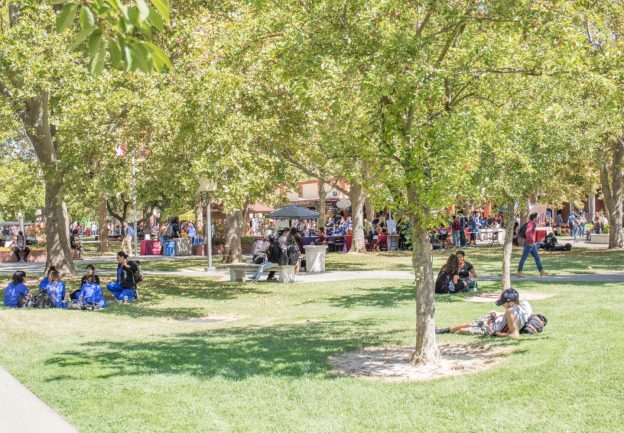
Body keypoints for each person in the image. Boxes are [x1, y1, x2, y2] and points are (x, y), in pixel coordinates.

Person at [436, 288, 532, 338]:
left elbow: (515, 335)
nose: (503, 305)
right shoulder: (525, 305)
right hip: (496, 321)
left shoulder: (511, 312)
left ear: (510, 303)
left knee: (462, 330)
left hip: (492, 328)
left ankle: (445, 332)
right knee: (467, 324)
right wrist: (499, 314)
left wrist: (494, 333)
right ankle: (443, 330)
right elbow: (515, 317)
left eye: (504, 303)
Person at [517, 213, 548, 277]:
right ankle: (519, 272)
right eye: (537, 217)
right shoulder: (531, 223)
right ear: (534, 218)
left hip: (531, 244)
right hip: (529, 243)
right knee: (524, 258)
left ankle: (541, 271)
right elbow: (527, 232)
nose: (538, 218)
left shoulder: (531, 223)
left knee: (537, 257)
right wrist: (530, 241)